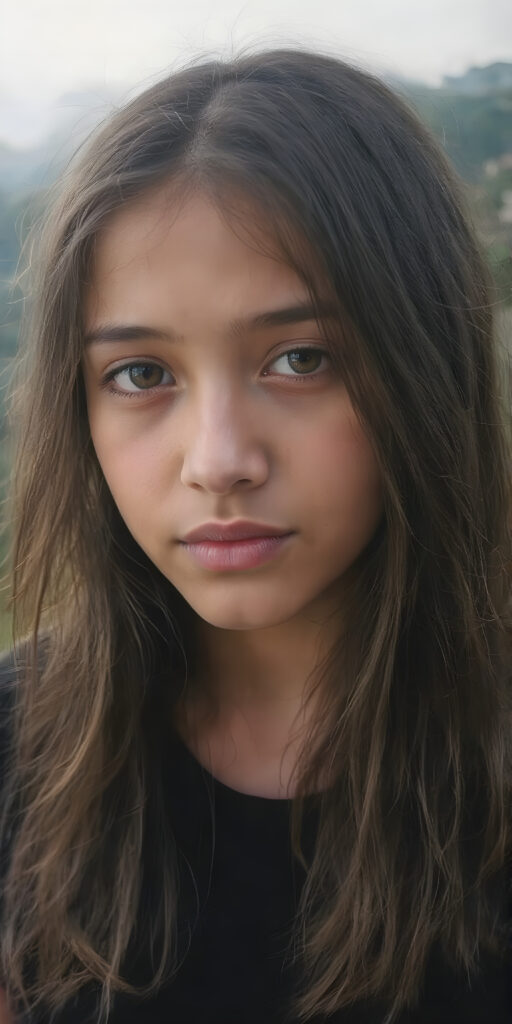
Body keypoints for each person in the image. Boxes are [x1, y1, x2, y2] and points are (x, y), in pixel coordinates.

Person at [0, 46, 511, 1024]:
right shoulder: (17, 753)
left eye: (298, 357)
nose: (218, 459)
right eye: (141, 375)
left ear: (423, 364)